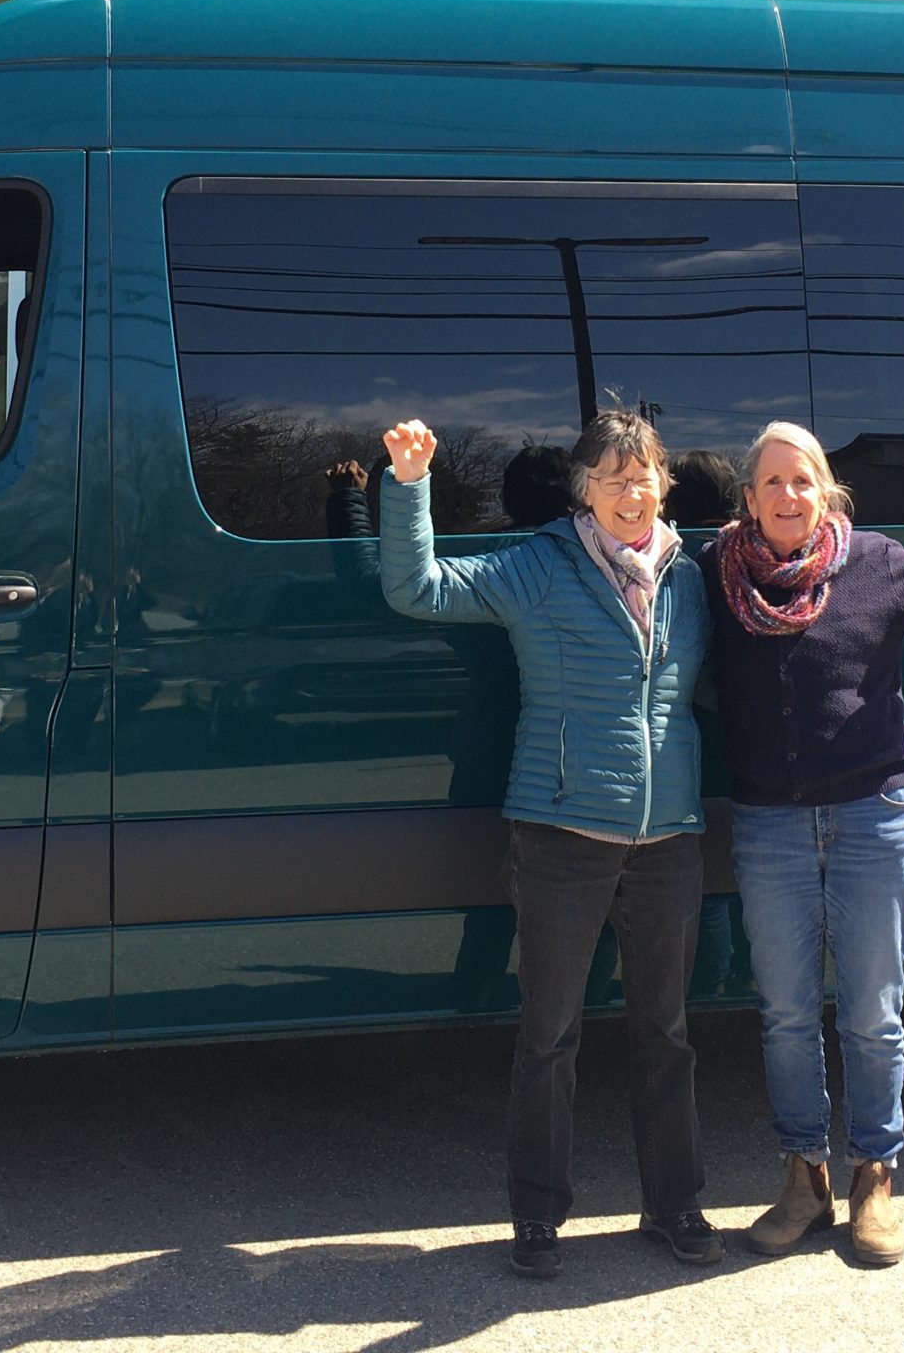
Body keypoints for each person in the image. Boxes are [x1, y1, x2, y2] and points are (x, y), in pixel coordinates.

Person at [377, 407, 719, 1280]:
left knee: (667, 1033)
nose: (631, 491)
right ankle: (537, 1214)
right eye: (612, 477)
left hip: (669, 836)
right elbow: (418, 590)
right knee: (550, 1035)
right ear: (584, 491)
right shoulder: (539, 566)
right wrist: (410, 486)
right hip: (563, 831)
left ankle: (674, 1202)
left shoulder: (690, 576)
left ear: (664, 485)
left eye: (643, 475)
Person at [699, 423, 904, 1268]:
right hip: (769, 826)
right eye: (770, 483)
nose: (788, 497)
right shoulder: (716, 574)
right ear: (749, 500)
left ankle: (875, 1174)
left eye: (802, 481)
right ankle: (804, 1175)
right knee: (788, 1015)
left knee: (873, 1013)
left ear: (826, 490)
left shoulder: (874, 561)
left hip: (874, 815)